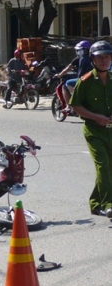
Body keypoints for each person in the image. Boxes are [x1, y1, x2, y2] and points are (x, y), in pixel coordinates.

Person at [69, 40, 112, 218]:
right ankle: (109, 204)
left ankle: (96, 204)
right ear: (92, 59)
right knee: (103, 167)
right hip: (94, 131)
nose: (104, 60)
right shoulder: (84, 81)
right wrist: (97, 118)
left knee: (109, 168)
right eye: (100, 57)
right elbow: (76, 106)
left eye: (107, 57)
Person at [56, 40, 92, 112]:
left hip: (85, 80)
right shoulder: (93, 58)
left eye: (78, 50)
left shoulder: (82, 59)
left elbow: (79, 74)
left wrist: (59, 75)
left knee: (66, 84)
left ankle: (70, 105)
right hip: (93, 80)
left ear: (84, 50)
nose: (77, 52)